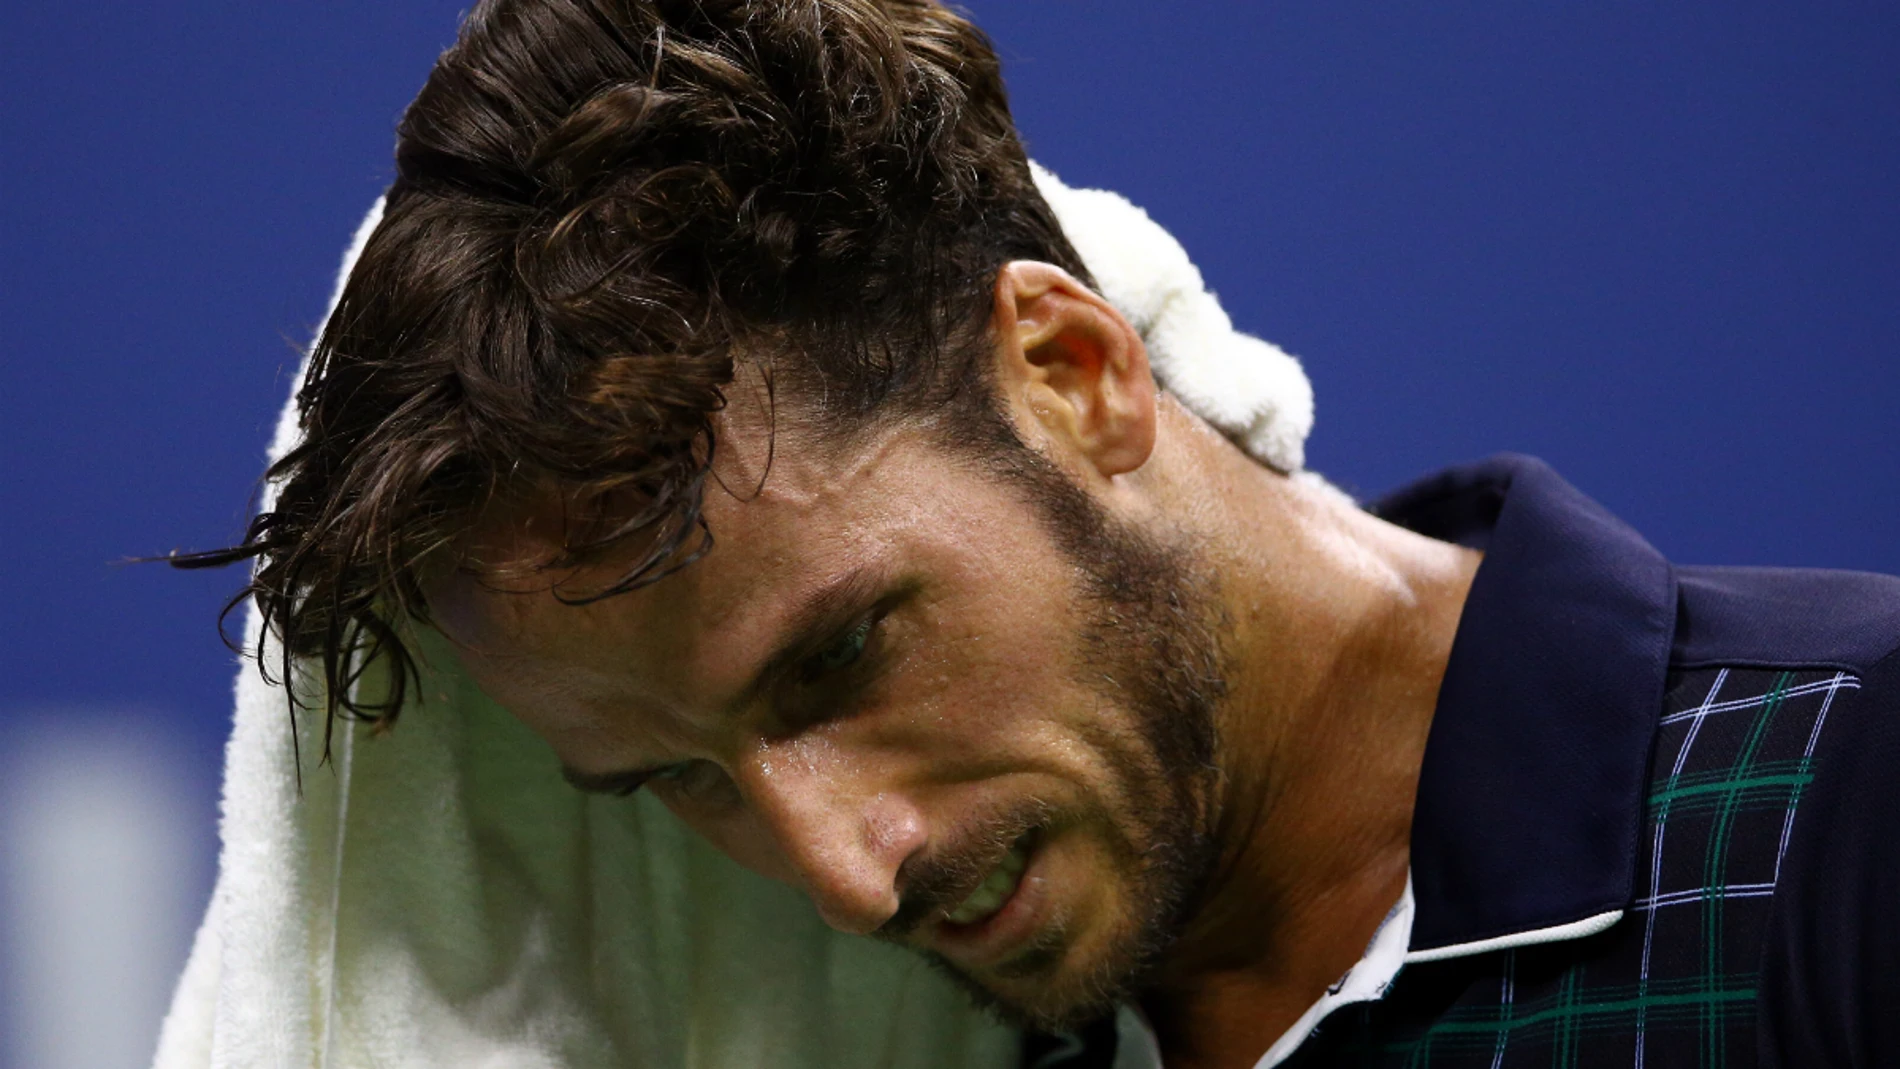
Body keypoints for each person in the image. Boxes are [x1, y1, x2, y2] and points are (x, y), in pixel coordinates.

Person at [181, 1, 1900, 1066]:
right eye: (683, 783)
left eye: (840, 653)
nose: (850, 879)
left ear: (1076, 372)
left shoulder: (1857, 807)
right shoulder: (917, 1032)